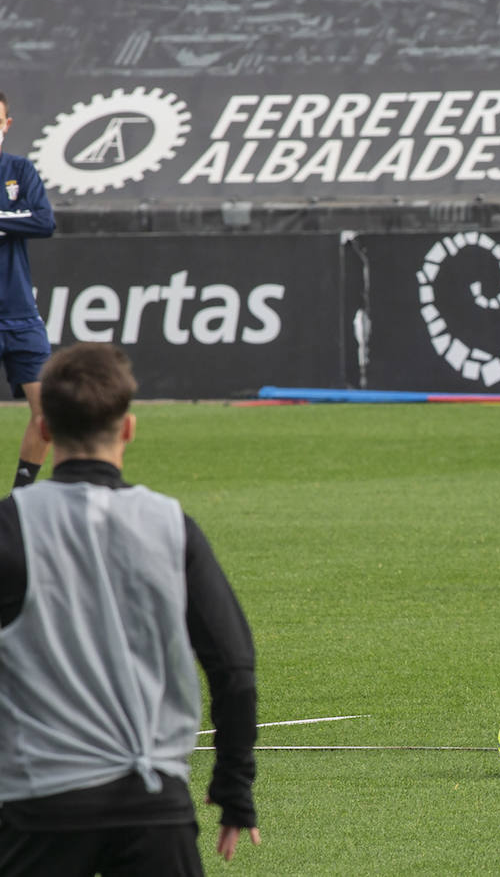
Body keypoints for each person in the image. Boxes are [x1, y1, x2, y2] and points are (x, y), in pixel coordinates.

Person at [0, 343, 260, 875]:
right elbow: (234, 668)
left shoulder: (10, 528)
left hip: (41, 807)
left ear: (44, 429)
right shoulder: (171, 525)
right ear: (128, 429)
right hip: (153, 807)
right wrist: (233, 787)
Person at [0, 91, 57, 490]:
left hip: (20, 314)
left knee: (48, 415)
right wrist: (12, 219)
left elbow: (44, 222)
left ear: (6, 124)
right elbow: (28, 220)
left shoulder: (19, 169)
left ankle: (20, 497)